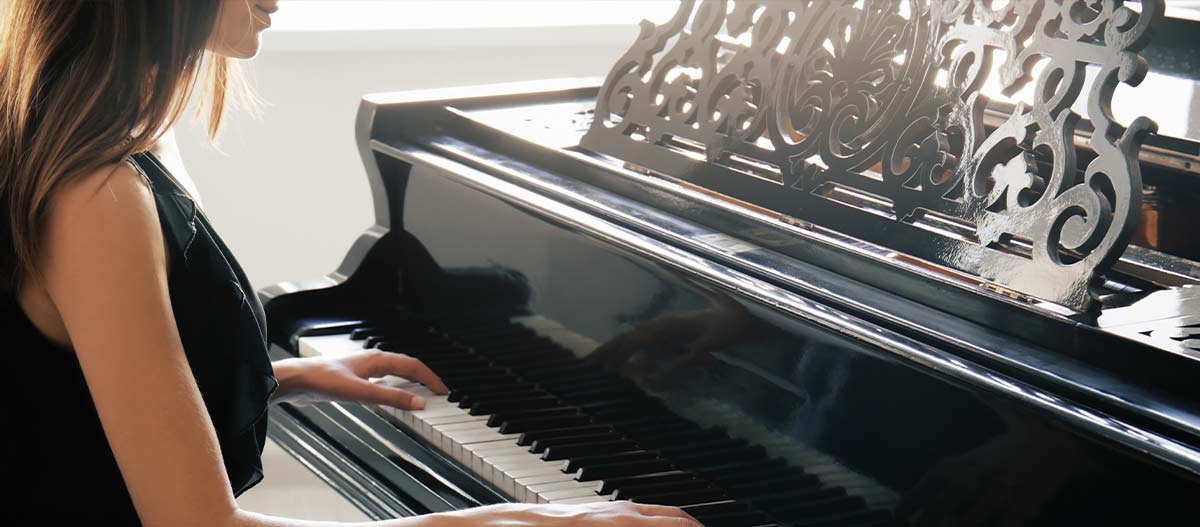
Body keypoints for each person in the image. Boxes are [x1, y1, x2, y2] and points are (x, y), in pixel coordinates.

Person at [0, 2, 702, 526]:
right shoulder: (99, 194)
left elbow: (76, 398)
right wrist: (521, 518)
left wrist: (276, 376)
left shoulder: (108, 136)